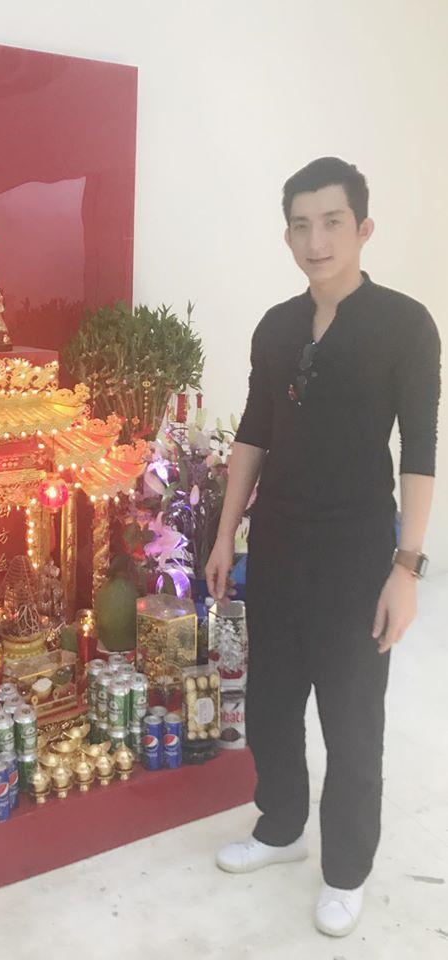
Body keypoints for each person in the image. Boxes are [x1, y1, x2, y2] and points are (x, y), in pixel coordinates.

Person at [205, 157, 441, 938]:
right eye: (301, 225)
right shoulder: (277, 325)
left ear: (363, 228)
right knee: (271, 701)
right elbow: (254, 433)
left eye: (332, 222)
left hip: (358, 549)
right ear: (287, 236)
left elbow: (419, 451)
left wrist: (406, 568)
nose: (317, 240)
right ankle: (280, 827)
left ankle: (346, 870)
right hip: (277, 542)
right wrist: (226, 533)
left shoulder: (406, 325)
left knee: (352, 717)